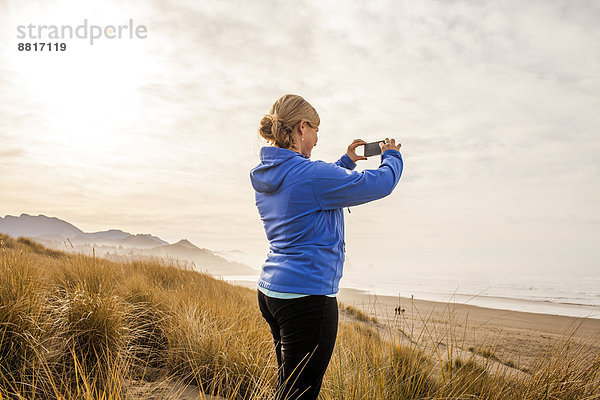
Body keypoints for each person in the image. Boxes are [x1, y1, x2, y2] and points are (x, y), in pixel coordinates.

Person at [250, 94, 403, 400]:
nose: (317, 140)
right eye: (316, 131)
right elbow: (381, 184)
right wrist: (391, 156)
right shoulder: (311, 175)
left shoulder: (271, 175)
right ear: (302, 128)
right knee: (300, 393)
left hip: (272, 293)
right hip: (306, 299)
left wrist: (345, 162)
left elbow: (309, 186)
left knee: (289, 386)